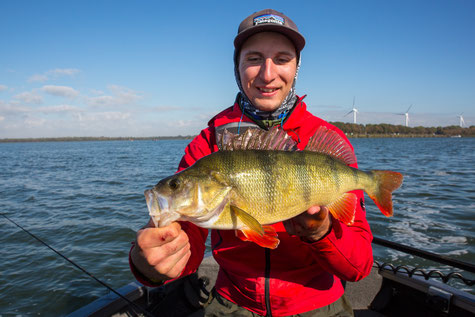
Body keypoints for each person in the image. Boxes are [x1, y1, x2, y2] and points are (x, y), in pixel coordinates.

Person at [130, 8, 373, 317]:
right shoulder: (207, 146)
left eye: (282, 59)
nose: (267, 74)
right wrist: (149, 261)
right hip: (233, 302)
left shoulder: (324, 142)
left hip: (317, 303)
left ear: (297, 68)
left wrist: (321, 233)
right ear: (238, 67)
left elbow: (359, 266)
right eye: (254, 58)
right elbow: (185, 249)